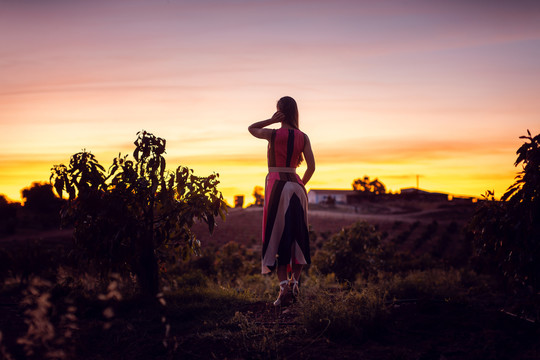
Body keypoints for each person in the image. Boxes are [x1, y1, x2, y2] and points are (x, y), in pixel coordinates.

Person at [248, 96, 315, 306]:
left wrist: (270, 120)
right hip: (297, 186)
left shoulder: (273, 134)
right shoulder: (303, 137)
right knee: (298, 236)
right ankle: (295, 284)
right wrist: (299, 185)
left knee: (277, 236)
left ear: (279, 112)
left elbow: (251, 128)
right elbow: (311, 167)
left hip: (277, 186)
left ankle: (283, 288)